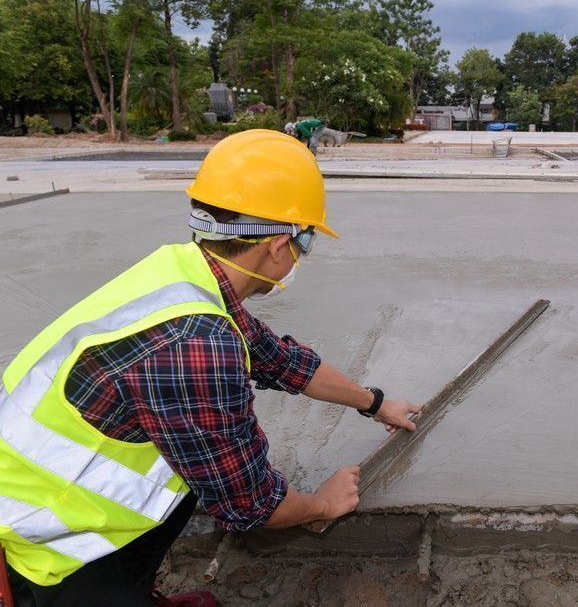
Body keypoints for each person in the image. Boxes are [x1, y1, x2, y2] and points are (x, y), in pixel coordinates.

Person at [0, 129, 423, 605]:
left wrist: (376, 403)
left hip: (37, 490)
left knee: (193, 467)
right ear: (279, 245)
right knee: (216, 472)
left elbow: (281, 361)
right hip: (37, 543)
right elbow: (250, 504)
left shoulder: (183, 275)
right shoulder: (196, 342)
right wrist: (323, 503)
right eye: (307, 242)